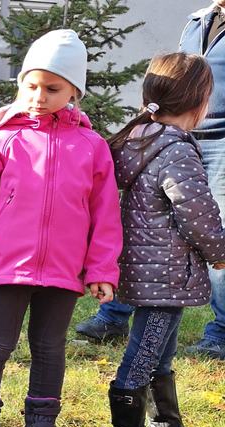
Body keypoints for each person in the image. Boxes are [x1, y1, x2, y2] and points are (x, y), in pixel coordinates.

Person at [0, 29, 123, 427]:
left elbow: (105, 215)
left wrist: (102, 270)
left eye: (52, 88)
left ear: (74, 92)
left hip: (64, 270)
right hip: (6, 266)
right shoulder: (3, 141)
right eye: (31, 85)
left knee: (50, 347)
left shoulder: (93, 147)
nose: (39, 96)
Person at [76, 1, 225, 354]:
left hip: (221, 140)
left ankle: (220, 333)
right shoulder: (197, 21)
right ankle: (113, 315)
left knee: (212, 223)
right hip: (174, 132)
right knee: (142, 220)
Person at [105, 53, 225, 427]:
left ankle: (167, 426)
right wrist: (220, 253)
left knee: (159, 349)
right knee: (144, 351)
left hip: (145, 269)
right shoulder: (176, 149)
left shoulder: (139, 139)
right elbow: (197, 212)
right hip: (165, 273)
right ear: (200, 101)